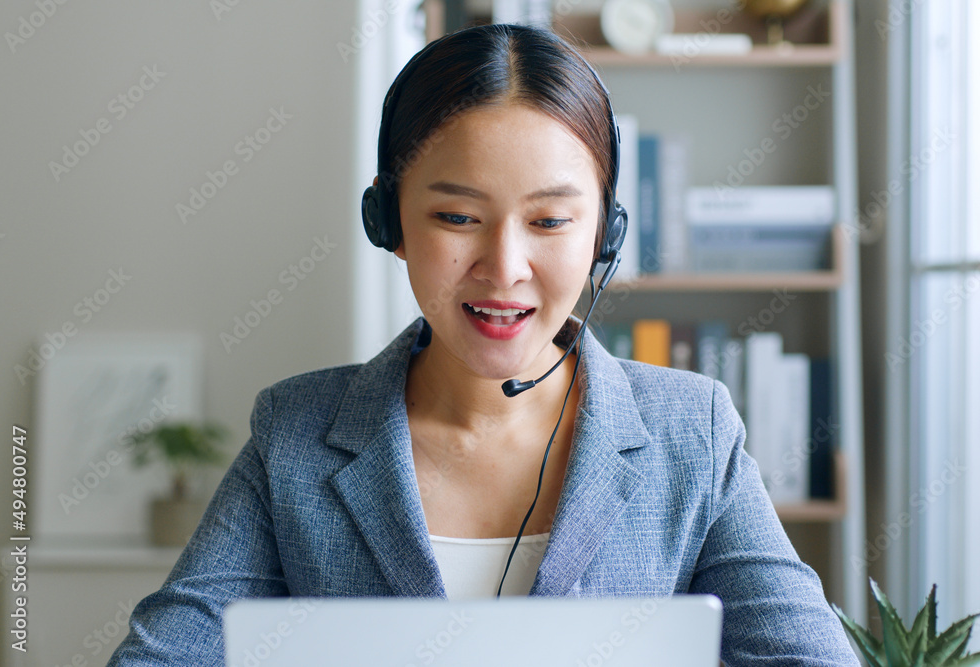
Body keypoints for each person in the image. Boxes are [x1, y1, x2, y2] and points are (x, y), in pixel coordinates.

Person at [108, 23, 860, 666]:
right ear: (389, 222)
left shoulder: (690, 429)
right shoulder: (295, 433)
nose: (504, 269)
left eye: (550, 221)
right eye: (457, 217)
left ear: (606, 235)